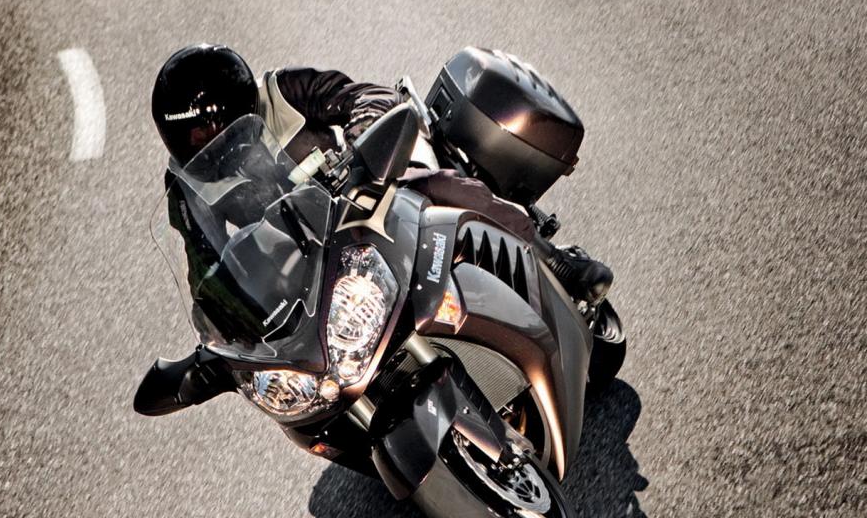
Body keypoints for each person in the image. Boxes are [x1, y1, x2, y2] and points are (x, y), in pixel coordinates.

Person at [137, 44, 615, 414]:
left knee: (435, 185)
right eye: (181, 137)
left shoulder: (284, 92)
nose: (197, 145)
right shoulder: (187, 186)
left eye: (203, 131)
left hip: (379, 185)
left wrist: (361, 151)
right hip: (322, 260)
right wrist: (223, 336)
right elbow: (204, 271)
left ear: (237, 108)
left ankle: (554, 260)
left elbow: (366, 96)